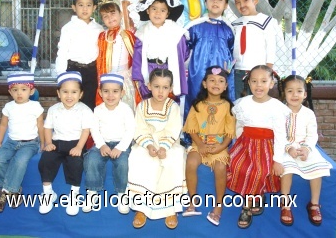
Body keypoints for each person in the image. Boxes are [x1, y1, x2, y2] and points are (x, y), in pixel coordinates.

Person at [226, 65, 290, 229]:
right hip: (246, 144)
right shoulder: (243, 103)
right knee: (238, 165)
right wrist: (236, 147)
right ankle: (256, 195)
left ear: (271, 83)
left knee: (259, 170)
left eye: (263, 81)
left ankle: (246, 207)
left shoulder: (276, 107)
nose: (258, 85)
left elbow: (281, 135)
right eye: (254, 81)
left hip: (267, 146)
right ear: (248, 83)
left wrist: (278, 160)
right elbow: (239, 126)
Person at [127, 68, 187, 229]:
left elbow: (174, 128)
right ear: (149, 86)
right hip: (147, 143)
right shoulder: (142, 106)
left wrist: (164, 147)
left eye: (165, 87)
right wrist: (149, 145)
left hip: (168, 143)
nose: (161, 91)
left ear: (171, 88)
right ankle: (142, 208)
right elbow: (139, 128)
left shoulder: (173, 106)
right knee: (138, 157)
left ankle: (170, 208)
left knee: (174, 159)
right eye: (157, 86)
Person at [183, 66, 235, 226]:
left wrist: (220, 148)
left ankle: (218, 206)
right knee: (191, 162)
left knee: (220, 168)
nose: (216, 83)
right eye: (211, 80)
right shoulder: (197, 105)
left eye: (220, 81)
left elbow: (229, 133)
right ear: (204, 84)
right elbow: (192, 129)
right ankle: (192, 202)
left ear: (226, 86)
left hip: (219, 146)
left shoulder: (228, 107)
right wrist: (200, 145)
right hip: (199, 144)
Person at [38, 71, 94, 216]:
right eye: (65, 92)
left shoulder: (85, 110)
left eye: (74, 92)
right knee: (45, 160)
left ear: (80, 94)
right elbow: (47, 128)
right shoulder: (53, 109)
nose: (69, 96)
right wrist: (48, 143)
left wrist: (79, 147)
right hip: (57, 143)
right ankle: (48, 192)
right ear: (58, 93)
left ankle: (74, 195)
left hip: (76, 143)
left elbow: (85, 131)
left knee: (76, 163)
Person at [185, 0, 236, 141]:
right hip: (198, 73)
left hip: (222, 73)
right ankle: (192, 138)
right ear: (205, 2)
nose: (215, 2)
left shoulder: (229, 28)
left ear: (226, 4)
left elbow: (232, 51)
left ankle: (223, 139)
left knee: (222, 103)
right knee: (197, 100)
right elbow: (184, 51)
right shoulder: (194, 26)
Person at [279, 75, 332, 226]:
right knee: (286, 169)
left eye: (299, 91)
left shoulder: (309, 114)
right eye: (290, 91)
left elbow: (312, 134)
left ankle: (314, 204)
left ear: (305, 94)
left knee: (318, 168)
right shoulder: (280, 112)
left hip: (304, 147)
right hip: (285, 148)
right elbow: (278, 134)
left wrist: (307, 149)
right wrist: (288, 148)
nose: (294, 95)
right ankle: (285, 205)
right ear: (284, 93)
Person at [0, 72, 44, 213]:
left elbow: (40, 126)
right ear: (10, 92)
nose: (19, 93)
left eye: (23, 89)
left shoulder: (36, 106)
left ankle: (3, 193)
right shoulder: (9, 107)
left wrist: (43, 144)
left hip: (30, 143)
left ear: (31, 91)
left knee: (20, 161)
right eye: (15, 90)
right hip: (11, 142)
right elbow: (3, 125)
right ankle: (13, 192)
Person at [83, 73, 135, 215]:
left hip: (121, 144)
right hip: (102, 143)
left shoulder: (126, 110)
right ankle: (92, 191)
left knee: (123, 163)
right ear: (100, 92)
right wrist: (101, 145)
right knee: (91, 160)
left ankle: (122, 193)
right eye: (106, 91)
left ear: (122, 93)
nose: (110, 95)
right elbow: (94, 129)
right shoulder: (98, 110)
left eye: (115, 91)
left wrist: (120, 147)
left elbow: (131, 130)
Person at [129, 0, 189, 100]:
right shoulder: (142, 33)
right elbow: (138, 59)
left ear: (167, 13)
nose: (158, 13)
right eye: (154, 9)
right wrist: (139, 79)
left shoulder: (176, 32)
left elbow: (184, 54)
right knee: (150, 102)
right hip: (149, 71)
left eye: (162, 10)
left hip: (169, 70)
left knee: (169, 103)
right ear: (148, 10)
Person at [230, 0, 283, 99]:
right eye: (238, 2)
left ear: (255, 1)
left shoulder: (266, 21)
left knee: (258, 100)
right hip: (238, 71)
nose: (242, 5)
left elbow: (271, 48)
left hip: (258, 71)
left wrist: (268, 71)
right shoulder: (234, 24)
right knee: (240, 102)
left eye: (245, 1)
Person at [55, 0, 104, 110]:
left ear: (94, 8)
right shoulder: (68, 28)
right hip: (73, 70)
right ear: (74, 7)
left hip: (92, 71)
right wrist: (62, 75)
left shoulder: (99, 29)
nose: (85, 9)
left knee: (90, 104)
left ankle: (88, 129)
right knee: (72, 103)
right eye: (81, 5)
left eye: (88, 5)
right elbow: (62, 52)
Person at [96, 0, 140, 110]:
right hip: (108, 76)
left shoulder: (128, 35)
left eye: (113, 13)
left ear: (120, 14)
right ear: (102, 20)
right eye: (105, 16)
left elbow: (135, 56)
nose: (110, 18)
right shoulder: (102, 36)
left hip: (125, 76)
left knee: (126, 106)